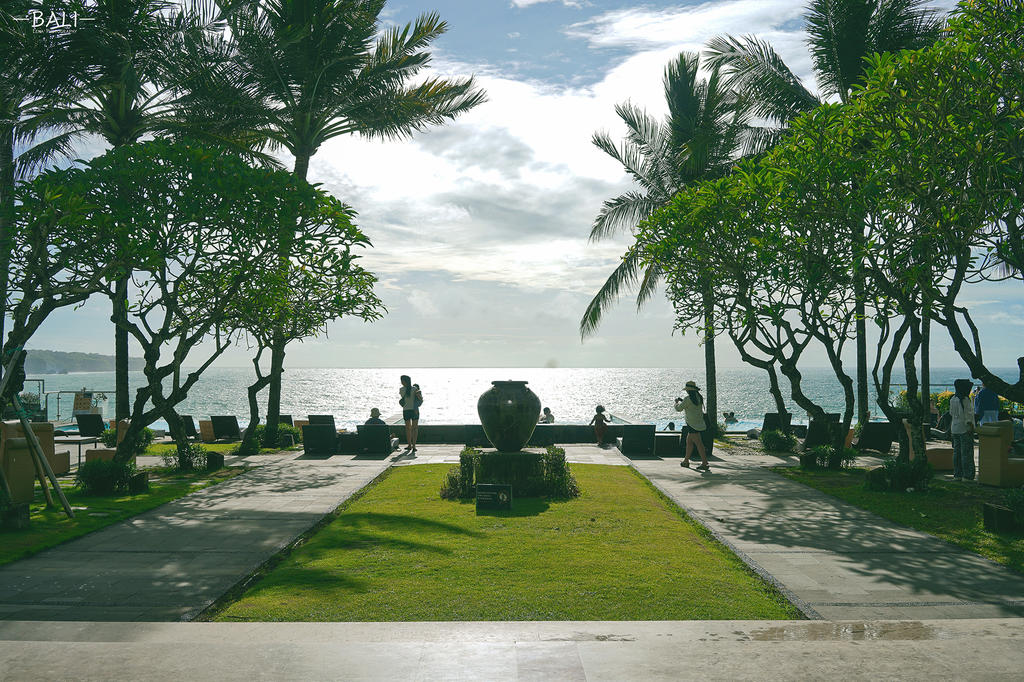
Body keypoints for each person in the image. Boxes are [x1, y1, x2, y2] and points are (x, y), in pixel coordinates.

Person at [675, 380, 710, 470]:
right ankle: (686, 461)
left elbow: (679, 409)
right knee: (689, 442)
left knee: (699, 443)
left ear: (688, 390)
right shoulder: (699, 397)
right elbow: (692, 405)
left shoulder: (687, 399)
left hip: (691, 424)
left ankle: (705, 463)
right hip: (698, 423)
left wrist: (676, 403)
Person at [949, 378, 976, 481]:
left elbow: (951, 413)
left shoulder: (953, 399)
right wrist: (971, 426)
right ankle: (967, 475)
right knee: (967, 453)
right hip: (965, 429)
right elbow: (968, 415)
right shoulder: (965, 400)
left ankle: (957, 474)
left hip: (955, 428)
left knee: (957, 452)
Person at [399, 375, 423, 454]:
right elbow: (420, 399)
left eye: (402, 380)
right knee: (414, 428)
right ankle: (414, 446)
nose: (401, 382)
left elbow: (404, 397)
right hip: (414, 410)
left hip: (406, 410)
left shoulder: (401, 390)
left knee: (408, 428)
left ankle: (410, 445)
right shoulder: (414, 389)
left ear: (405, 381)